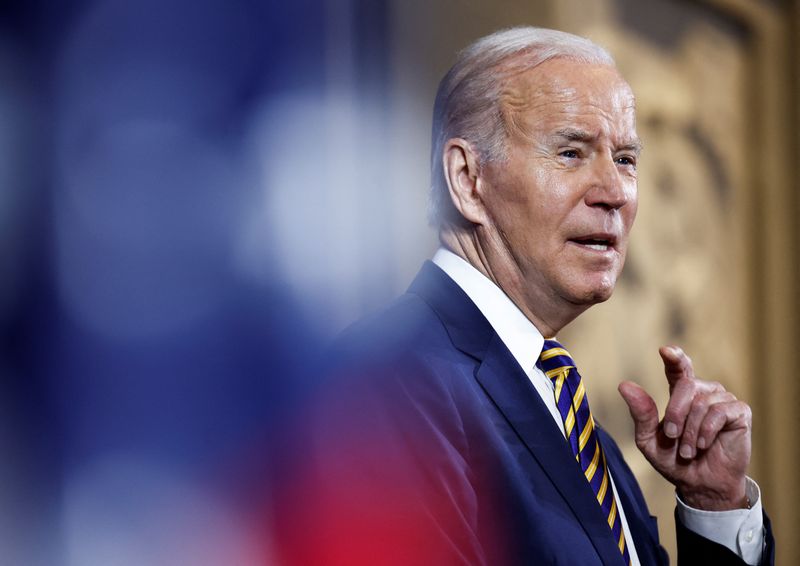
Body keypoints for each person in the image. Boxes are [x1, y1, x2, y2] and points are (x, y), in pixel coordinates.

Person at [274, 27, 775, 565]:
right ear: (467, 179)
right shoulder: (384, 384)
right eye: (570, 152)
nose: (615, 192)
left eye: (626, 159)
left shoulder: (588, 440)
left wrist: (714, 504)